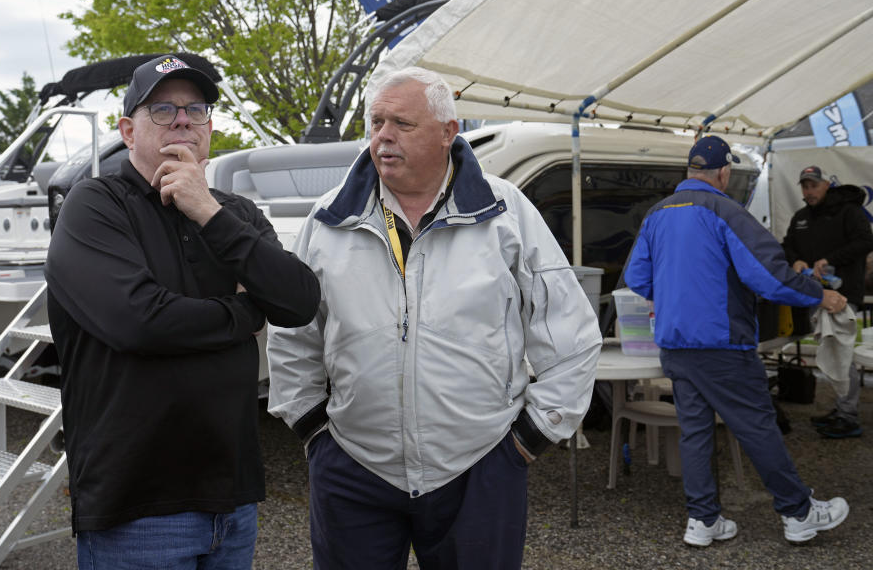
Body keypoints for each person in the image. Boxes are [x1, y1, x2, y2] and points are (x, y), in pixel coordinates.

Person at [266, 67, 602, 569]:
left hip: (479, 467)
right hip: (354, 467)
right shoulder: (329, 217)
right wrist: (315, 432)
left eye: (402, 123)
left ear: (449, 131)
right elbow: (294, 329)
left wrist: (528, 441)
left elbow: (570, 332)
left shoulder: (505, 213)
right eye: (376, 121)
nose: (383, 136)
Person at [45, 54, 320, 569]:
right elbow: (139, 322)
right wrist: (244, 312)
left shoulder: (232, 213)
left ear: (210, 127)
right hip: (137, 509)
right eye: (163, 109)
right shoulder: (96, 205)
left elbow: (299, 302)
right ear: (128, 131)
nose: (182, 121)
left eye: (196, 110)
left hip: (233, 501)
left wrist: (207, 211)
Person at [624, 135, 850, 547]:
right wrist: (821, 294)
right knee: (757, 427)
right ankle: (798, 512)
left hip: (675, 343)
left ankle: (703, 520)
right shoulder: (725, 210)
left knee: (694, 432)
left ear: (690, 172)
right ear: (724, 172)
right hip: (722, 343)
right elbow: (769, 275)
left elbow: (638, 278)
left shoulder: (657, 214)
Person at [782, 164, 873, 438]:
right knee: (829, 350)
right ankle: (842, 407)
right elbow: (787, 245)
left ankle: (848, 415)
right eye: (805, 186)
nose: (809, 191)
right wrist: (794, 259)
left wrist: (831, 260)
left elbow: (866, 241)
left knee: (840, 353)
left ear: (826, 185)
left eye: (814, 185)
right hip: (811, 295)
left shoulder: (849, 211)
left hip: (842, 296)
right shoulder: (800, 217)